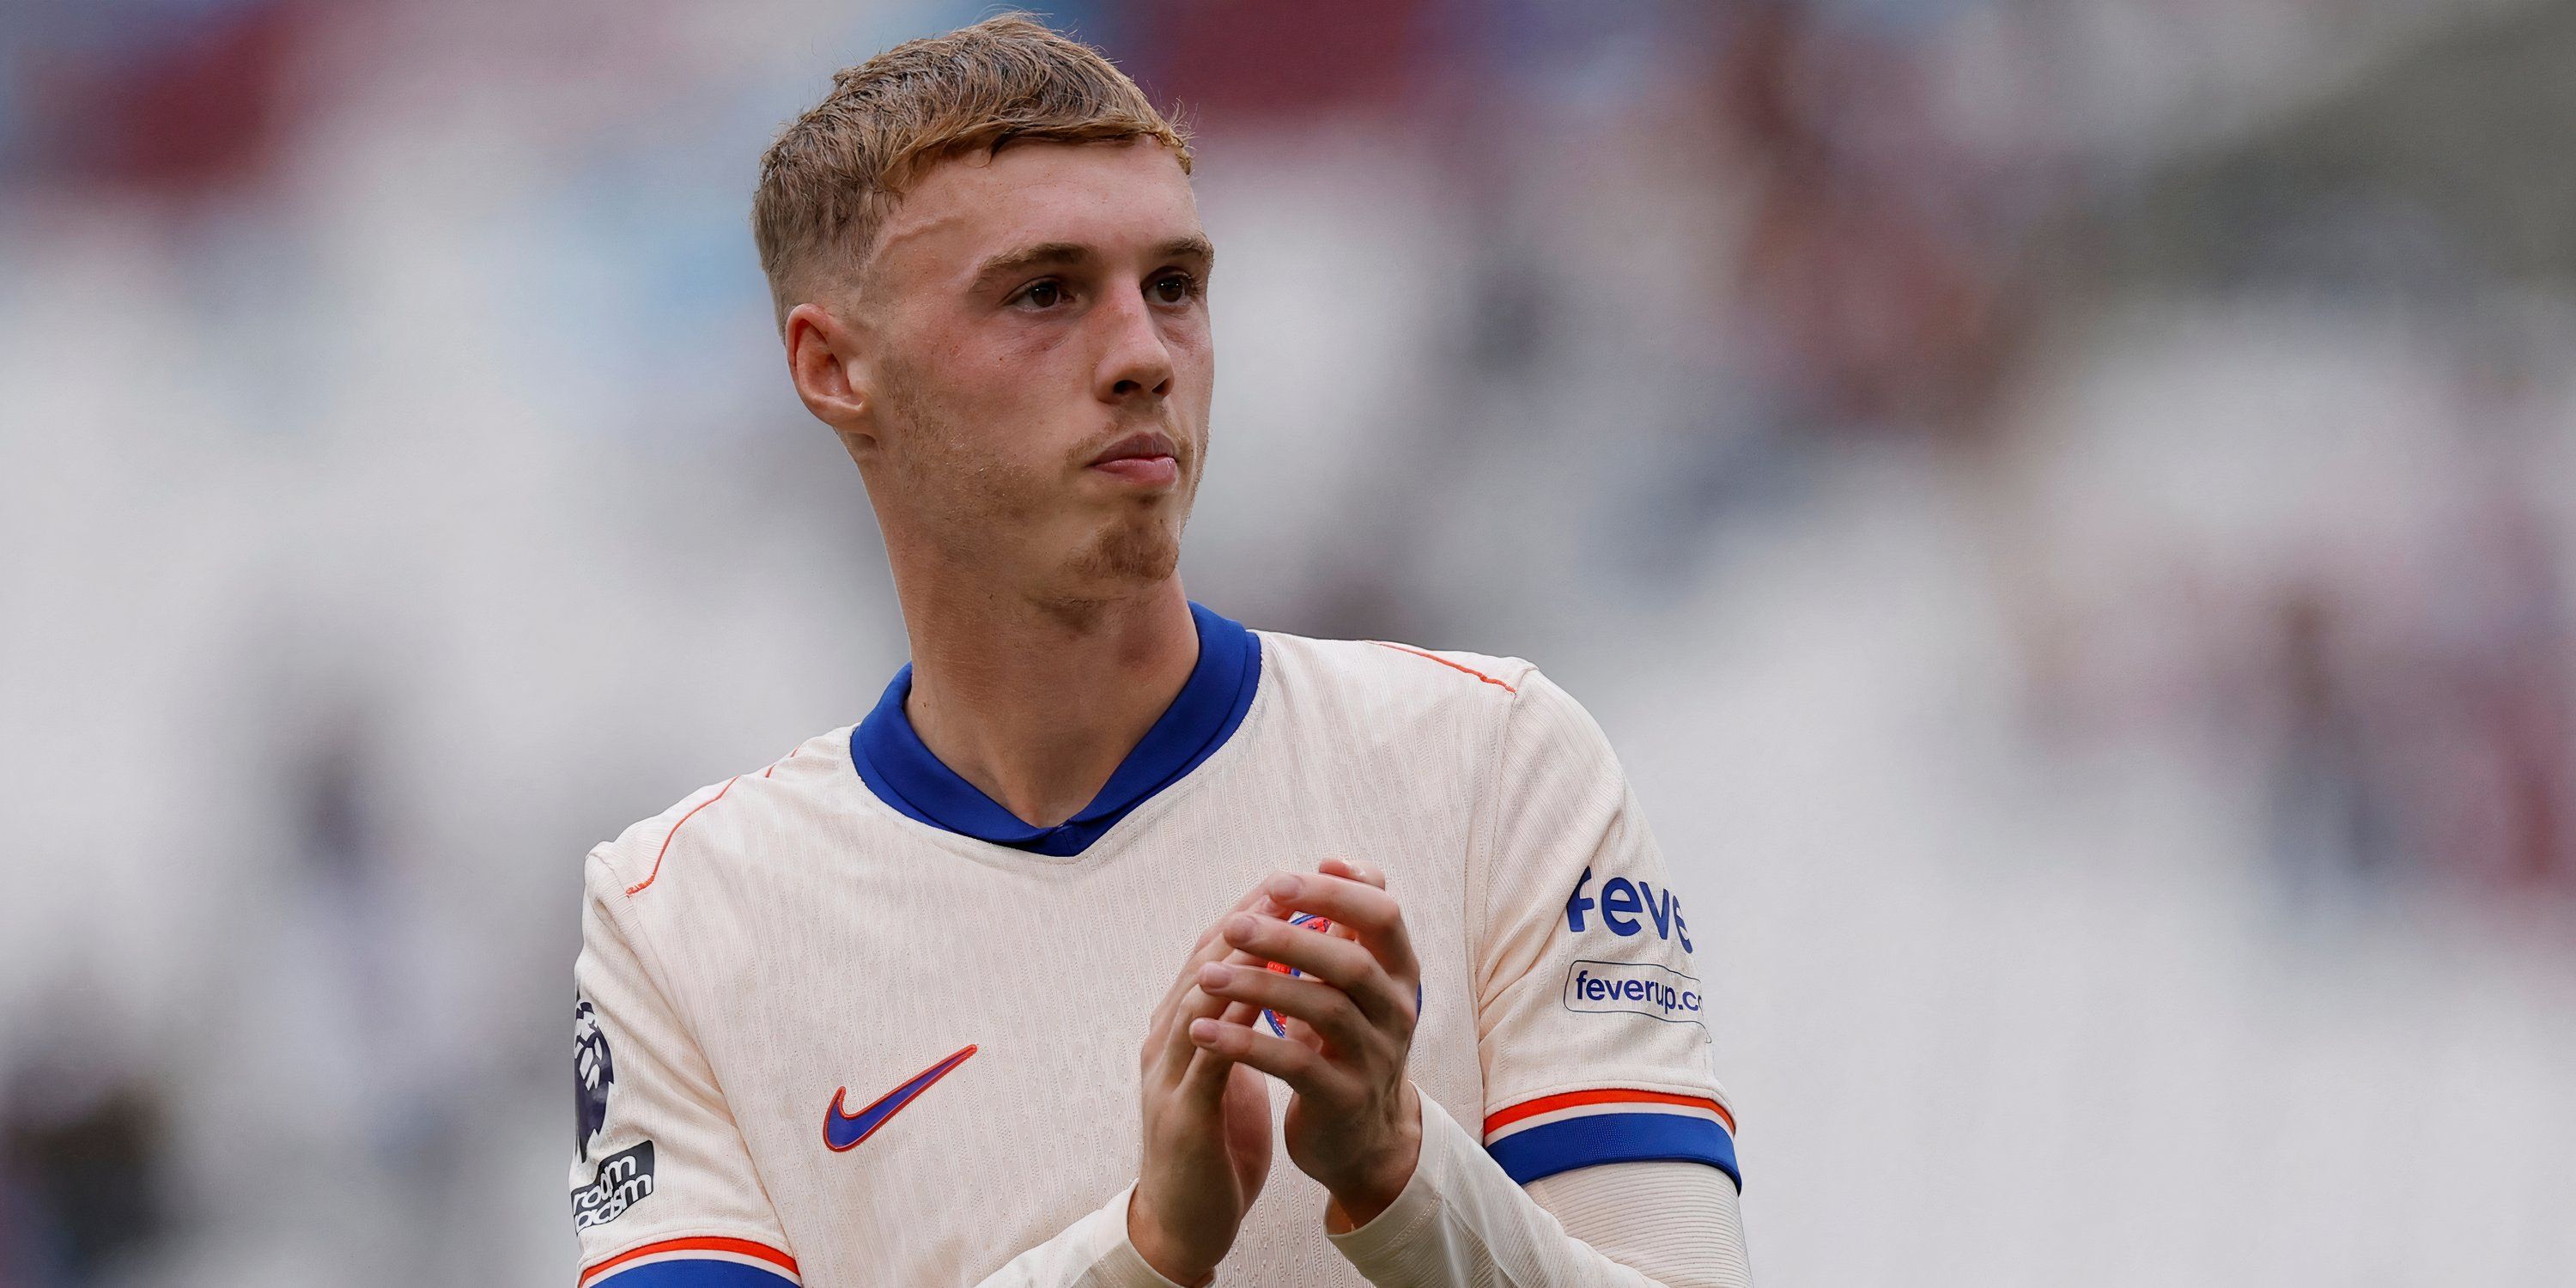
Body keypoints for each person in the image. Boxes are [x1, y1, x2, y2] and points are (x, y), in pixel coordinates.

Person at [568, 15, 1751, 1287]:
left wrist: (1401, 1169)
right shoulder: (682, 919)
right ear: (833, 366)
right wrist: (1144, 1251)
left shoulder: (1496, 765)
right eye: (1045, 293)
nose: (1142, 355)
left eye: (1174, 287)